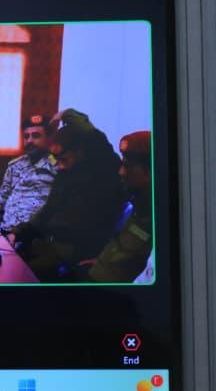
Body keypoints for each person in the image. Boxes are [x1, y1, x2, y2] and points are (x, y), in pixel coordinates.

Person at [12, 109, 126, 282]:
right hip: (51, 243)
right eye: (55, 160)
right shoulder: (64, 175)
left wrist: (67, 114)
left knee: (19, 275)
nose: (59, 166)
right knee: (6, 259)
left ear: (81, 153)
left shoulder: (103, 171)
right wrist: (17, 233)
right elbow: (46, 212)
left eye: (64, 160)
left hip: (76, 251)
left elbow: (92, 135)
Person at [85, 131, 153, 283]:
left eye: (128, 166)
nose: (121, 172)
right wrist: (102, 263)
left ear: (149, 172)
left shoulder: (156, 214)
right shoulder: (138, 204)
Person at [0, 114, 56, 231]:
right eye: (26, 136)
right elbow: (4, 192)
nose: (29, 141)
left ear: (48, 139)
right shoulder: (16, 165)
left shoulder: (56, 166)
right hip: (4, 228)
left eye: (36, 136)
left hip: (32, 233)